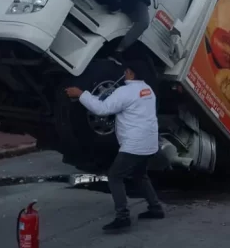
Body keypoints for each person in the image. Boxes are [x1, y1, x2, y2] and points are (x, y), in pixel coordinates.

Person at [65, 59, 163, 232]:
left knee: (115, 176)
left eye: (126, 71)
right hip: (149, 142)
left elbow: (102, 109)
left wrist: (80, 94)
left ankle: (122, 216)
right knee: (140, 175)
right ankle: (155, 208)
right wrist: (89, 97)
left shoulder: (125, 91)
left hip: (134, 145)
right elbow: (110, 103)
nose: (124, 73)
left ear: (131, 73)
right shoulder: (147, 90)